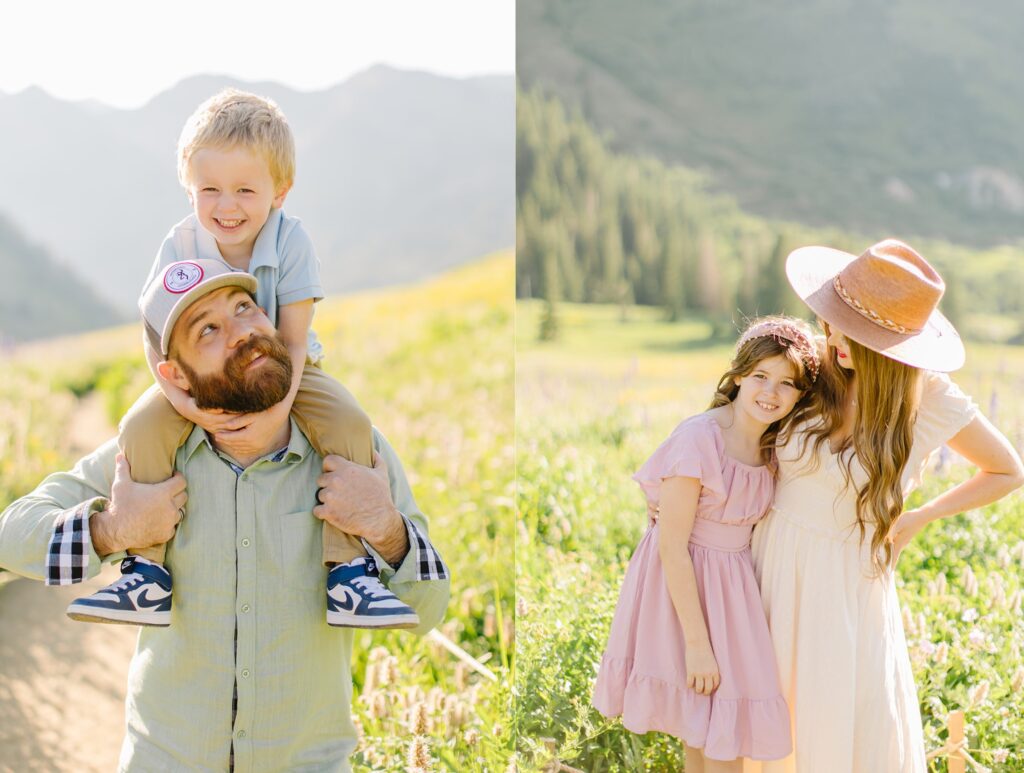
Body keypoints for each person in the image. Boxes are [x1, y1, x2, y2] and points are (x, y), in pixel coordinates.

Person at [0, 260, 450, 770]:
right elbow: (9, 536)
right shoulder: (147, 459)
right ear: (175, 376)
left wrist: (384, 528)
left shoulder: (352, 452)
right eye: (209, 329)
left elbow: (430, 608)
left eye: (244, 308)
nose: (243, 333)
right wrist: (113, 529)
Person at [66, 89, 412, 630]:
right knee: (141, 424)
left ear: (280, 191)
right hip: (203, 377)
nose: (227, 207)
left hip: (288, 368)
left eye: (245, 190)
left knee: (348, 421)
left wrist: (278, 414)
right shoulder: (179, 246)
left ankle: (346, 571)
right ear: (189, 187)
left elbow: (295, 341)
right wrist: (185, 401)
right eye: (210, 190)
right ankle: (147, 571)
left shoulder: (291, 241)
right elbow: (155, 336)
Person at [750, 240, 1024, 772]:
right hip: (770, 567)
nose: (831, 335)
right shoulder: (814, 367)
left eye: (850, 329)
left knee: (833, 726)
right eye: (831, 319)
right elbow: (740, 413)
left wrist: (921, 516)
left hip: (845, 586)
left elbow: (1008, 470)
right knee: (767, 725)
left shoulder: (929, 399)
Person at [593, 316, 822, 770]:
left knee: (713, 731)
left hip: (733, 590)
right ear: (737, 375)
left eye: (787, 384)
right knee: (712, 731)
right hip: (683, 590)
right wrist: (698, 645)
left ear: (800, 394)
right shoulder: (700, 437)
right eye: (760, 376)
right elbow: (672, 546)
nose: (770, 393)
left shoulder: (776, 444)